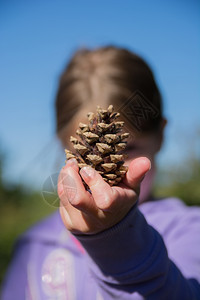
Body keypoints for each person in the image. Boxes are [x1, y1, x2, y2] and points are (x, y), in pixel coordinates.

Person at [1, 46, 200, 300]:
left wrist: (114, 239)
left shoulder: (190, 231)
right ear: (64, 145)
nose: (104, 173)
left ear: (160, 136)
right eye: (87, 153)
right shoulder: (33, 246)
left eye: (126, 149)